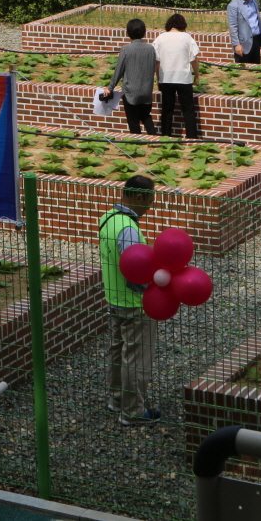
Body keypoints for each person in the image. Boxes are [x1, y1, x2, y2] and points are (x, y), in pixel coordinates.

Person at [99, 175, 161, 425]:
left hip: (113, 297)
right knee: (137, 357)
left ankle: (116, 399)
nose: (149, 207)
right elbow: (134, 269)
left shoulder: (108, 219)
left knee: (117, 351)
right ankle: (133, 411)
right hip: (135, 303)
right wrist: (151, 291)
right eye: (149, 201)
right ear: (139, 196)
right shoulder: (129, 229)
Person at [102, 19, 157, 135]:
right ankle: (155, 139)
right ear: (144, 32)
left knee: (133, 122)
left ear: (128, 33)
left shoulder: (126, 49)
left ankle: (136, 143)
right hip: (146, 91)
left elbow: (119, 71)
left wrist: (110, 87)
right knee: (146, 117)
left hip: (130, 92)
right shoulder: (151, 49)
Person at [152, 13, 201, 138]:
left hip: (166, 77)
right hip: (183, 78)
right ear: (182, 24)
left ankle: (166, 136)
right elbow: (194, 59)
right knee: (188, 110)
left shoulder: (160, 38)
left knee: (167, 110)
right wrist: (197, 75)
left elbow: (157, 61)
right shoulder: (187, 37)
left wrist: (158, 78)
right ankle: (192, 137)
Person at [226, 0, 261, 64]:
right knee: (242, 70)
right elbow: (233, 27)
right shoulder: (233, 6)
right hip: (243, 43)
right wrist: (236, 44)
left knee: (256, 68)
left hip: (256, 39)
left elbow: (257, 17)